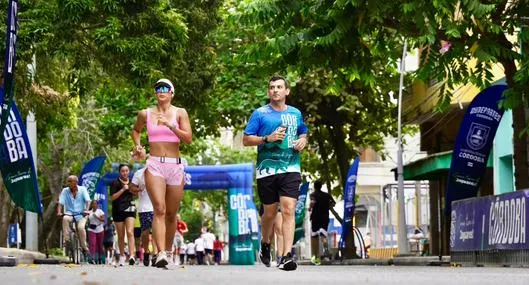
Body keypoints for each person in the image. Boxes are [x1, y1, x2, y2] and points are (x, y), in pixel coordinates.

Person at [243, 75, 308, 271]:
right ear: (268, 91)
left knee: (288, 209)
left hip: (291, 167)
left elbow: (303, 130)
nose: (275, 90)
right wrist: (267, 138)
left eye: (279, 87)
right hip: (267, 170)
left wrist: (303, 140)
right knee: (269, 213)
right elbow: (246, 140)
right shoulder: (260, 114)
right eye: (272, 87)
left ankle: (286, 255)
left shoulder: (296, 113)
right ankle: (265, 243)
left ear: (287, 91)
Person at [131, 78, 192, 269]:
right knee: (159, 209)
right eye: (158, 88)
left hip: (175, 165)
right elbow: (136, 130)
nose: (161, 91)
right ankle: (160, 253)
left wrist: (170, 125)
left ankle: (167, 251)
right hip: (155, 164)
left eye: (165, 88)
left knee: (172, 214)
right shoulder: (146, 113)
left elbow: (188, 139)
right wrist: (139, 146)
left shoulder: (180, 112)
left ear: (172, 93)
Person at [57, 175, 91, 260]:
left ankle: (84, 246)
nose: (68, 183)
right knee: (65, 218)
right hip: (70, 213)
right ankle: (67, 239)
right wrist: (59, 212)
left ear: (76, 182)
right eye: (68, 181)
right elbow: (60, 203)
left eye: (70, 181)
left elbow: (88, 201)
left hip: (81, 214)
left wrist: (86, 210)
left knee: (80, 228)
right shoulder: (65, 191)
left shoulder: (83, 189)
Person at [110, 164, 137, 266]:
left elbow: (136, 194)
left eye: (126, 171)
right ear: (119, 172)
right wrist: (123, 189)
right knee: (121, 235)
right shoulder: (115, 183)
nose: (125, 173)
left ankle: (131, 256)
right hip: (118, 210)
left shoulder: (132, 183)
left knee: (130, 232)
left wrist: (138, 190)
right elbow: (112, 198)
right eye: (123, 171)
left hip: (130, 209)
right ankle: (121, 256)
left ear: (129, 171)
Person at [130, 166, 156, 266]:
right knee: (145, 232)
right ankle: (146, 251)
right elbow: (131, 188)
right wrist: (139, 189)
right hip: (144, 208)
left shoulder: (160, 171)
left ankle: (155, 254)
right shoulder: (139, 173)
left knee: (156, 232)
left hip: (157, 207)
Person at [309, 180, 336, 265]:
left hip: (316, 217)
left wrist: (310, 208)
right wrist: (327, 206)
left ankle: (315, 256)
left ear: (314, 186)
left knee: (314, 236)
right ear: (321, 186)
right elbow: (333, 203)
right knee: (323, 235)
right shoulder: (326, 195)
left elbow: (313, 202)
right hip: (325, 217)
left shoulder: (313, 195)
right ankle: (326, 252)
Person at [87, 200, 106, 264]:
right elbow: (87, 220)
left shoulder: (100, 211)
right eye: (93, 204)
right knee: (92, 243)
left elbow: (103, 220)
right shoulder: (89, 212)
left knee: (99, 245)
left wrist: (97, 217)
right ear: (91, 205)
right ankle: (92, 258)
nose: (94, 205)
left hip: (100, 229)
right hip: (91, 229)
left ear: (97, 205)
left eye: (95, 204)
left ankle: (100, 257)